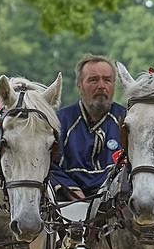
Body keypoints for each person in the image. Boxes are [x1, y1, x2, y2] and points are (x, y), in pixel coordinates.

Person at [50, 54, 126, 201]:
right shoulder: (59, 121)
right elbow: (48, 164)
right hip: (68, 202)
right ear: (79, 86)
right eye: (93, 80)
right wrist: (73, 192)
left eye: (107, 80)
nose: (101, 86)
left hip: (116, 203)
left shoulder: (127, 121)